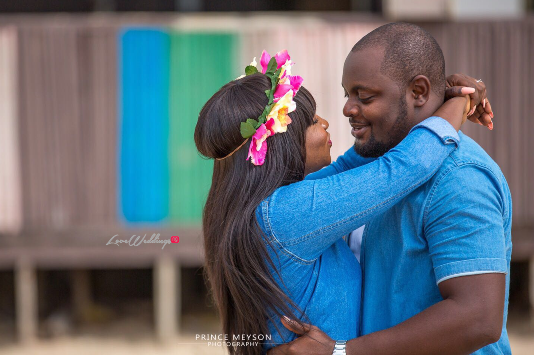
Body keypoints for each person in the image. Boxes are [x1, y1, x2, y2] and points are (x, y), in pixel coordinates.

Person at [194, 47, 490, 355]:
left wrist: (431, 100)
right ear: (280, 140)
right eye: (309, 120)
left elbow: (356, 163)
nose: (324, 121)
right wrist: (461, 100)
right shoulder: (286, 213)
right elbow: (405, 167)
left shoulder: (261, 210)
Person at [270, 23, 511, 355]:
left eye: (364, 96)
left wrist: (342, 351)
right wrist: (458, 100)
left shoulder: (459, 177)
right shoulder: (376, 165)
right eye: (347, 95)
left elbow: (478, 318)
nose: (347, 109)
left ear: (419, 92)